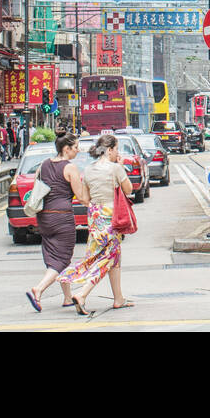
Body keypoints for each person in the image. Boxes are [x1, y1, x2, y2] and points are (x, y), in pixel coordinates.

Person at [61, 133, 135, 315]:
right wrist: (120, 167)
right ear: (110, 150)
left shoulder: (87, 170)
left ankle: (118, 299)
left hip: (94, 216)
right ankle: (82, 293)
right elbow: (129, 189)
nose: (117, 152)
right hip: (112, 215)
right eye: (116, 148)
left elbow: (84, 198)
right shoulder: (115, 169)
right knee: (108, 258)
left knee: (109, 256)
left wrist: (97, 205)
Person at [26, 133, 90, 311]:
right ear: (66, 148)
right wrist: (93, 201)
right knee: (63, 257)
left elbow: (37, 186)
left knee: (54, 255)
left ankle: (67, 297)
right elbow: (80, 196)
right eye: (76, 147)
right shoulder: (70, 168)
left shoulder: (44, 164)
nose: (78, 150)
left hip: (44, 217)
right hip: (62, 216)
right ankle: (38, 289)